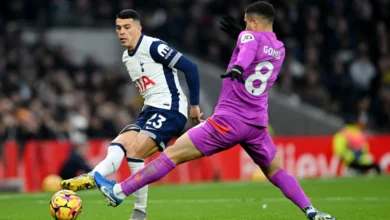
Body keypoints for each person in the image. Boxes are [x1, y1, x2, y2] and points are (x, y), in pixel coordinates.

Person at [94, 2, 336, 220]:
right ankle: (311, 211)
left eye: (246, 22)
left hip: (228, 120)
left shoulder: (248, 39)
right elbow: (257, 51)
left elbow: (249, 50)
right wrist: (241, 39)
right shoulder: (280, 48)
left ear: (253, 22)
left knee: (172, 155)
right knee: (276, 172)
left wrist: (239, 66)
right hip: (257, 125)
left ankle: (118, 191)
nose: (244, 26)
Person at [61, 9, 202, 220]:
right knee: (118, 145)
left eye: (127, 27)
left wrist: (195, 105)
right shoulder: (127, 57)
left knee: (135, 153)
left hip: (170, 109)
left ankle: (137, 210)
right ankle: (94, 177)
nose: (122, 32)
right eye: (118, 28)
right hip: (150, 110)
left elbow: (191, 68)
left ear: (138, 28)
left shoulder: (154, 46)